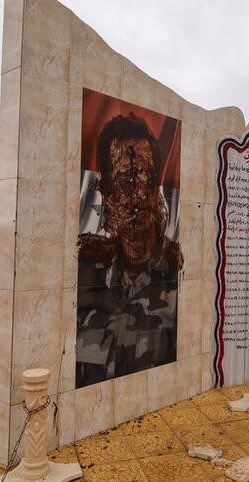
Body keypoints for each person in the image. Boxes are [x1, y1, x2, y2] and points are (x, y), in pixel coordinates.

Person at [75, 113, 183, 388]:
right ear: (106, 191)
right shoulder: (84, 272)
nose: (138, 196)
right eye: (126, 180)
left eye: (147, 179)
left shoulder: (175, 270)